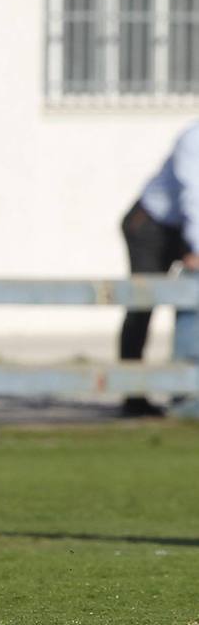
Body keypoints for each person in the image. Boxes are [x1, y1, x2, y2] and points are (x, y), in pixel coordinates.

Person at [119, 123, 199, 417]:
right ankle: (132, 394)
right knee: (142, 304)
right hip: (149, 226)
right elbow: (195, 195)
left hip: (181, 228)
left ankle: (188, 389)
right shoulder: (194, 139)